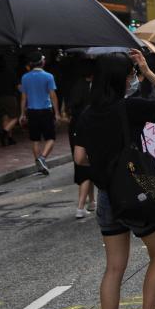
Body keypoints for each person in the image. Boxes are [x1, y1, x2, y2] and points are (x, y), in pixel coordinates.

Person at [73, 50, 155, 309]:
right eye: (131, 74)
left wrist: (105, 163)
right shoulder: (130, 107)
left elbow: (80, 158)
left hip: (107, 195)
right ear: (122, 79)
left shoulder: (87, 114)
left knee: (114, 267)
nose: (134, 78)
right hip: (136, 191)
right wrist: (149, 72)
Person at [19, 51, 60, 175]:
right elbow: (53, 96)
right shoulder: (48, 76)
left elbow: (23, 98)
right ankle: (42, 158)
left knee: (35, 140)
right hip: (46, 111)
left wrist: (22, 113)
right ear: (41, 62)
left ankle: (40, 166)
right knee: (51, 138)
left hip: (32, 111)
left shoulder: (25, 77)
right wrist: (57, 112)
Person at [67, 61, 95, 218]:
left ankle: (92, 201)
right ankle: (80, 206)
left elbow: (71, 107)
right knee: (86, 167)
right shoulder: (95, 89)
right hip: (88, 130)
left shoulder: (76, 86)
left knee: (84, 165)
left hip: (75, 130)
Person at [0, 53, 20, 146]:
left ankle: (8, 138)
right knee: (15, 117)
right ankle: (4, 132)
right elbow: (17, 85)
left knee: (5, 118)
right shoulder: (9, 71)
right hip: (9, 97)